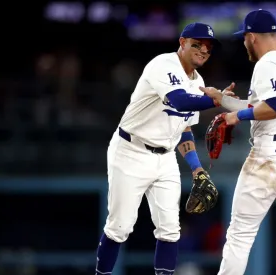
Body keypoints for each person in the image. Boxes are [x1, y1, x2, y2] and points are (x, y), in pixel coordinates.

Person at [95, 22, 234, 275]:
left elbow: (184, 129)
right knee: (119, 228)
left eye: (208, 47)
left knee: (170, 230)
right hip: (131, 150)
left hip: (166, 157)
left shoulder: (199, 82)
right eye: (197, 44)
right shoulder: (163, 64)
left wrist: (196, 169)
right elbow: (179, 101)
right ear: (182, 43)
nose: (203, 50)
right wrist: (217, 99)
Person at [199, 9, 276, 275]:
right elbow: (262, 105)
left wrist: (238, 116)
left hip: (272, 155)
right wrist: (222, 100)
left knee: (239, 236)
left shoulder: (266, 63)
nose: (244, 43)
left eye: (245, 37)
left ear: (252, 36)